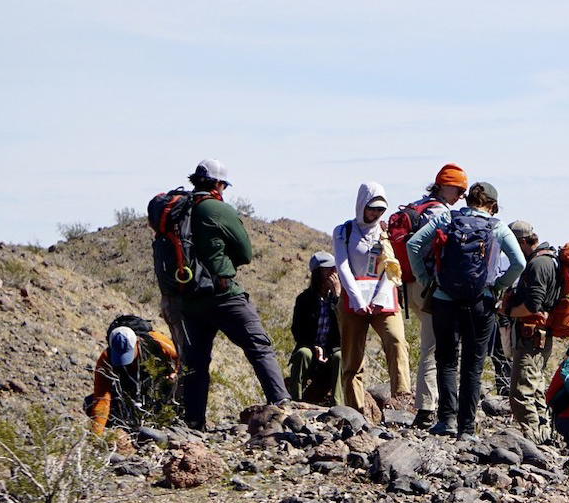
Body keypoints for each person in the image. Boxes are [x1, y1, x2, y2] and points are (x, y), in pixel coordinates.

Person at [172, 159, 291, 428]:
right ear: (217, 183)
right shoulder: (218, 208)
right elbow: (246, 253)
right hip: (223, 295)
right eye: (223, 184)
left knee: (196, 364)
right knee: (259, 346)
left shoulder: (180, 209)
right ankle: (283, 404)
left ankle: (193, 423)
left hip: (189, 299)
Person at [407, 181, 524, 439]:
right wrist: (497, 287)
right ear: (492, 205)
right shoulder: (498, 227)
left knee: (446, 360)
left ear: (468, 200)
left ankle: (446, 420)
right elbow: (519, 263)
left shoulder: (448, 218)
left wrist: (426, 280)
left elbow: (413, 245)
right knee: (473, 365)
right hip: (480, 302)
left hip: (444, 298)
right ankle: (467, 428)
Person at [388, 164, 467, 430]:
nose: (460, 196)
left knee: (431, 346)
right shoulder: (439, 212)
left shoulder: (419, 205)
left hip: (411, 285)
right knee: (433, 348)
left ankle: (429, 405)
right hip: (427, 287)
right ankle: (426, 409)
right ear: (443, 185)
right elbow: (415, 245)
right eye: (458, 189)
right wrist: (427, 279)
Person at [332, 182, 412, 414]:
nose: (376, 214)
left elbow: (392, 267)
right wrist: (357, 299)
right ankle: (355, 411)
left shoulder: (386, 233)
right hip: (353, 302)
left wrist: (380, 296)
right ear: (361, 205)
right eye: (372, 208)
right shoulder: (343, 231)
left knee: (397, 341)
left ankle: (402, 399)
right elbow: (343, 265)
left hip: (383, 299)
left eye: (380, 209)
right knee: (352, 358)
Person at [501, 221, 559, 443]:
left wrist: (508, 310)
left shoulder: (538, 264)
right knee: (534, 388)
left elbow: (534, 305)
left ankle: (533, 438)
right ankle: (543, 435)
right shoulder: (546, 260)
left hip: (531, 336)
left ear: (522, 242)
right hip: (538, 336)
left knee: (520, 392)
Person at [86, 314, 181, 435]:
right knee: (89, 404)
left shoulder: (156, 342)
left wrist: (175, 374)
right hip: (130, 394)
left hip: (160, 389)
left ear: (137, 342)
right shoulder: (106, 360)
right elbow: (102, 399)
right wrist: (96, 435)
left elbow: (182, 360)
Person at [288, 253, 343, 404]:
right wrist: (313, 347)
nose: (333, 273)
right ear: (318, 274)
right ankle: (296, 400)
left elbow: (346, 326)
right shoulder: (304, 299)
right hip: (311, 349)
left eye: (334, 269)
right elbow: (297, 330)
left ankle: (338, 403)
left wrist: (337, 296)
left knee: (341, 357)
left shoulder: (340, 298)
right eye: (328, 269)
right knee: (302, 354)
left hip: (334, 350)